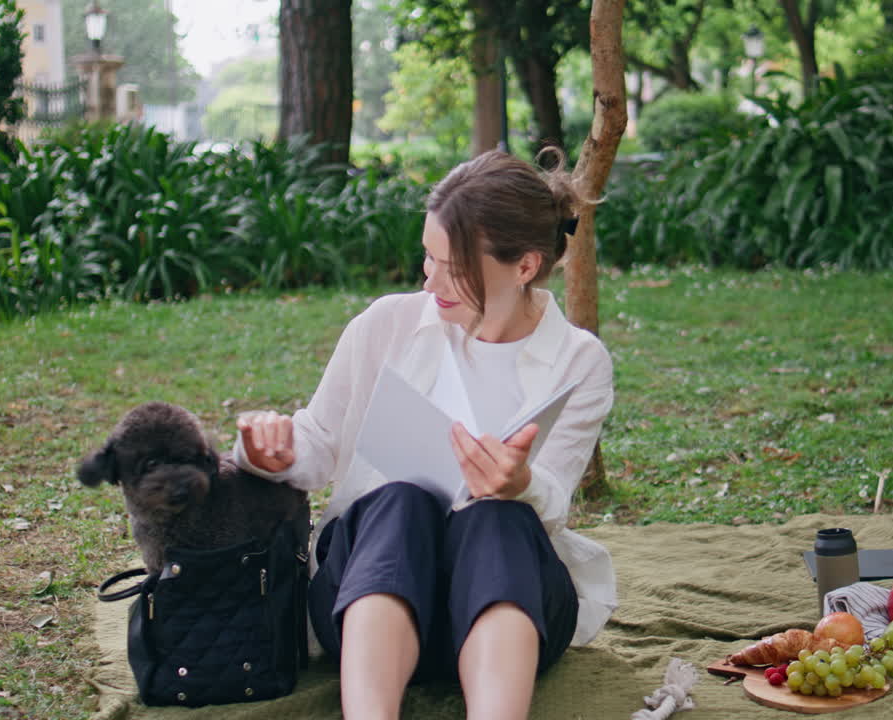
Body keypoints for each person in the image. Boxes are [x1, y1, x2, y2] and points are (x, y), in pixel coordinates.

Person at [234, 149, 616, 720]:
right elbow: (317, 438)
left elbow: (555, 496)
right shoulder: (386, 324)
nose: (429, 277)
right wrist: (270, 449)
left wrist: (523, 484)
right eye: (427, 257)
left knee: (497, 513)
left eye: (451, 263)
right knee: (399, 499)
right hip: (371, 591)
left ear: (525, 266)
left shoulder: (579, 361)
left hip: (508, 602)